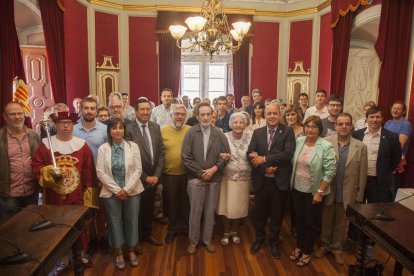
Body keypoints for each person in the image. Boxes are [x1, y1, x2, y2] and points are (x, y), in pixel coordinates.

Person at [32, 111, 99, 274]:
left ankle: (79, 254)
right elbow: (36, 166)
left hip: (77, 198)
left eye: (69, 123)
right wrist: (48, 171)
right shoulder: (45, 145)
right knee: (56, 228)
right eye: (62, 123)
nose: (66, 126)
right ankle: (61, 257)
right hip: (54, 198)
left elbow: (89, 173)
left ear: (73, 125)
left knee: (77, 229)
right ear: (56, 125)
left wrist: (90, 199)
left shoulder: (82, 146)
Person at [316, 113, 368, 265]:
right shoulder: (325, 142)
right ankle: (325, 245)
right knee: (326, 220)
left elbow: (363, 174)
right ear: (336, 126)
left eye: (347, 124)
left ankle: (337, 248)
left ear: (351, 126)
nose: (344, 127)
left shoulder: (361, 146)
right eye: (340, 124)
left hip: (348, 193)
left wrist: (359, 196)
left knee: (342, 222)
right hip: (328, 190)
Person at [247, 103, 296, 259]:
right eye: (269, 114)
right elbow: (250, 154)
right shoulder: (258, 132)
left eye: (275, 113)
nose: (272, 116)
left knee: (277, 215)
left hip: (279, 181)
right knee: (259, 214)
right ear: (264, 115)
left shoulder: (287, 131)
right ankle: (260, 239)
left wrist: (265, 159)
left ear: (280, 114)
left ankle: (274, 242)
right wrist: (264, 168)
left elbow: (287, 154)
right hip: (261, 181)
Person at [352, 106, 401, 259]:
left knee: (375, 212)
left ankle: (370, 244)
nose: (374, 120)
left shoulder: (391, 137)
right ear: (366, 118)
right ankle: (353, 239)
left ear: (382, 119)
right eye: (371, 117)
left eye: (377, 117)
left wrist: (382, 172)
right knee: (356, 209)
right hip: (359, 180)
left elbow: (395, 159)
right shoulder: (357, 135)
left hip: (378, 182)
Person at [182, 102, 230, 255]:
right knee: (195, 212)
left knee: (210, 211)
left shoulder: (219, 133)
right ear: (197, 116)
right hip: (196, 179)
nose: (205, 117)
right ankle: (193, 241)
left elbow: (226, 156)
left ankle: (207, 240)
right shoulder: (190, 133)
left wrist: (214, 169)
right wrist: (201, 172)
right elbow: (185, 157)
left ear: (212, 115)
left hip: (214, 179)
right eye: (202, 114)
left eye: (208, 114)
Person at [96, 118, 144, 270]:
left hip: (132, 190)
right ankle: (118, 252)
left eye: (120, 128)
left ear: (124, 130)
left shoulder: (133, 146)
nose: (118, 130)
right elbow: (100, 172)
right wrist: (117, 190)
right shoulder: (103, 148)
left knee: (132, 221)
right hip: (111, 192)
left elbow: (138, 170)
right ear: (109, 131)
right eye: (114, 128)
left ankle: (130, 250)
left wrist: (127, 189)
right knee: (114, 221)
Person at [289, 115, 336, 267]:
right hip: (296, 189)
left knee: (312, 223)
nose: (310, 129)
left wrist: (319, 192)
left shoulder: (326, 146)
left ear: (319, 129)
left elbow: (330, 171)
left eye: (314, 127)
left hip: (314, 192)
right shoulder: (299, 141)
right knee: (299, 221)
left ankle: (307, 251)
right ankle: (299, 247)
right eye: (307, 126)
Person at [126, 98, 165, 252]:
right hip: (136, 179)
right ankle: (135, 240)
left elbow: (161, 153)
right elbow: (129, 158)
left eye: (148, 109)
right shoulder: (128, 129)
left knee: (148, 209)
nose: (145, 112)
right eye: (142, 109)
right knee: (135, 211)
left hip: (153, 178)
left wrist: (156, 175)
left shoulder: (156, 127)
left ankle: (147, 234)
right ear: (135, 112)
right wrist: (144, 177)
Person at [0, 102, 40, 223]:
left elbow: (38, 160)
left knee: (29, 225)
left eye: (19, 113)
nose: (17, 117)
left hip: (31, 191)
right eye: (12, 114)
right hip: (8, 194)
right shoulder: (1, 137)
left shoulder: (33, 135)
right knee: (9, 229)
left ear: (24, 115)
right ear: (5, 117)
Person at [217, 112, 252, 246]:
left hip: (244, 178)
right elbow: (216, 151)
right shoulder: (224, 136)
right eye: (235, 122)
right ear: (231, 124)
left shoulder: (251, 136)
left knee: (239, 206)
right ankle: (226, 232)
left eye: (241, 122)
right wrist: (220, 154)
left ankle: (235, 231)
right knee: (226, 205)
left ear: (245, 124)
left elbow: (256, 150)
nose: (238, 125)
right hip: (227, 177)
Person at [161, 104, 191, 243]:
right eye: (176, 114)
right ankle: (172, 229)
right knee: (171, 204)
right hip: (169, 175)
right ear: (171, 115)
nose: (179, 116)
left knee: (186, 203)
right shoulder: (163, 131)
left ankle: (185, 228)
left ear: (186, 116)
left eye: (182, 114)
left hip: (187, 174)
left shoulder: (191, 130)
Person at [384, 101, 413, 200]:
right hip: (385, 159)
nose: (395, 110)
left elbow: (399, 145)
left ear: (403, 111)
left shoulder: (406, 124)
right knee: (384, 189)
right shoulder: (388, 122)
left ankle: (391, 213)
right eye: (394, 108)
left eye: (398, 109)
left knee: (393, 189)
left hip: (395, 161)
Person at [73, 97, 108, 162]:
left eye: (92, 108)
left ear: (96, 111)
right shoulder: (73, 130)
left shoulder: (105, 130)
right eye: (86, 108)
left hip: (98, 170)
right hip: (78, 170)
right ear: (81, 110)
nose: (89, 111)